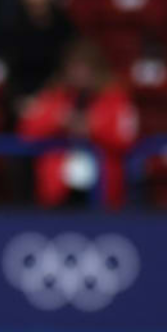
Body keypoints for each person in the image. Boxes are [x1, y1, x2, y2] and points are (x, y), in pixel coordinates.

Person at [17, 38, 136, 208]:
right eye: (74, 67)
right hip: (57, 186)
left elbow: (125, 138)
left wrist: (92, 127)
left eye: (85, 67)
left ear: (97, 69)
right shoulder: (56, 94)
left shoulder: (115, 97)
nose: (79, 73)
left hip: (104, 185)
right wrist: (59, 120)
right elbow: (28, 130)